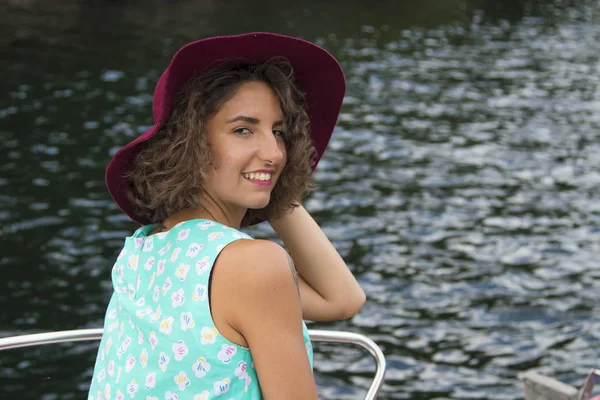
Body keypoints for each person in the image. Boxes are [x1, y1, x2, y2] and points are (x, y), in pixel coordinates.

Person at [88, 32, 366, 400]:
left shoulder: (141, 251)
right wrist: (266, 182)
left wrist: (274, 189)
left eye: (279, 132)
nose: (274, 153)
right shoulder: (253, 266)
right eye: (243, 130)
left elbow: (342, 300)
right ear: (189, 144)